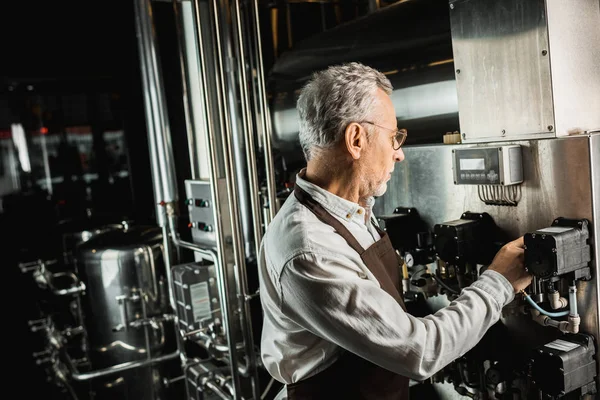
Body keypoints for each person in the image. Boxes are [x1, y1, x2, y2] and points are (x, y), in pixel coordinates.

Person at [257, 62, 532, 400]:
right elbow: (419, 351)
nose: (399, 154)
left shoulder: (350, 211)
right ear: (356, 139)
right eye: (393, 137)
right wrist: (499, 282)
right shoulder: (310, 249)